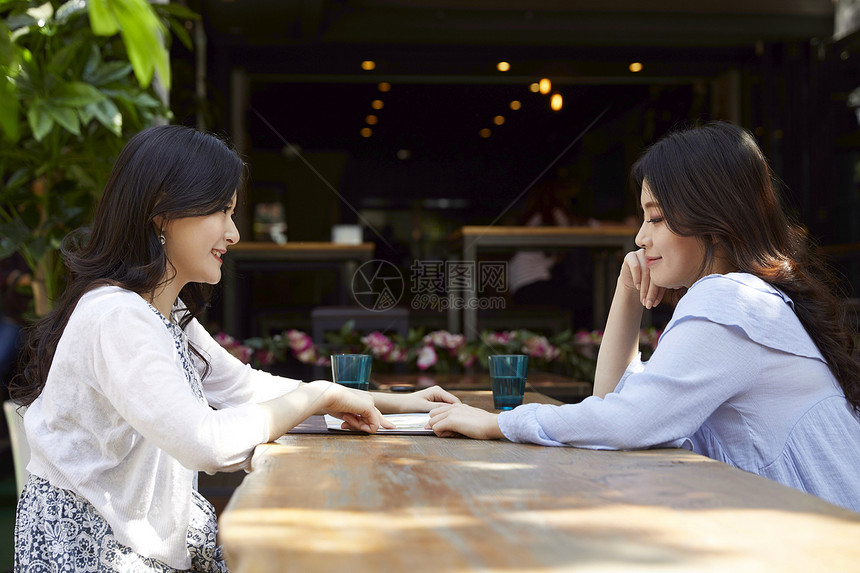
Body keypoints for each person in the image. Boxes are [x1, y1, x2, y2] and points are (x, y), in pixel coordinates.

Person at [9, 125, 460, 571]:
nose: (234, 234)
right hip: (93, 555)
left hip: (129, 547)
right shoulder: (118, 316)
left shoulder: (162, 314)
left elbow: (247, 388)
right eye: (222, 212)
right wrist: (319, 394)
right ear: (162, 213)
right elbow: (205, 443)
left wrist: (397, 403)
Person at [428, 122, 860, 513]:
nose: (640, 237)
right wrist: (628, 291)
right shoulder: (747, 297)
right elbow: (612, 405)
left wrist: (497, 423)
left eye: (655, 217)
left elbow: (623, 422)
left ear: (712, 217)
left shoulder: (731, 299)